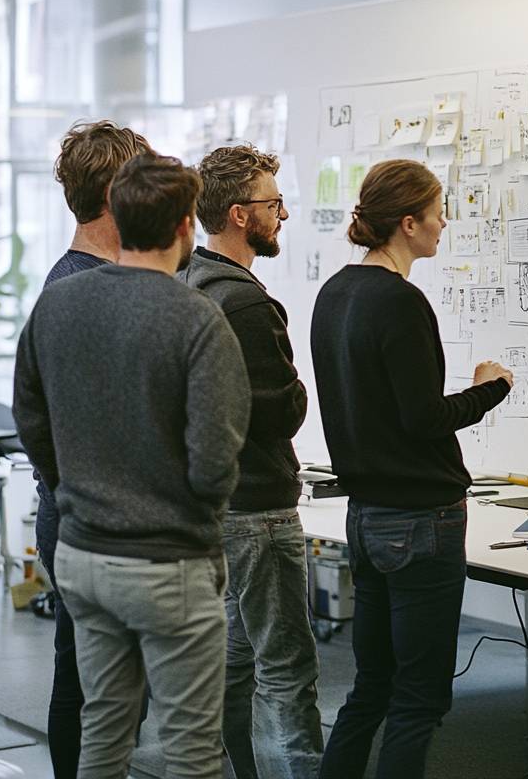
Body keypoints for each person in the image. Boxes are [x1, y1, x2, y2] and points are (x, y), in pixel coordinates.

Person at [13, 153, 251, 779]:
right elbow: (214, 461)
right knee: (192, 750)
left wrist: (74, 489)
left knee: (103, 738)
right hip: (168, 562)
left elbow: (30, 418)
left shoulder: (57, 304)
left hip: (83, 557)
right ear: (184, 229)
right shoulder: (198, 317)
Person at [310, 158, 513, 779]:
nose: (444, 223)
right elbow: (423, 419)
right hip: (421, 521)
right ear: (407, 223)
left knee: (371, 684)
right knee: (419, 697)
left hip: (366, 518)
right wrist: (491, 388)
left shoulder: (334, 292)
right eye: (436, 212)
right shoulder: (399, 302)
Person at [179, 143, 322, 779]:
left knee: (235, 665)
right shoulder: (244, 303)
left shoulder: (186, 282)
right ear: (240, 215)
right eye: (273, 203)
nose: (283, 214)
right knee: (286, 669)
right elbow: (281, 410)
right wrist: (297, 390)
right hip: (260, 509)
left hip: (212, 508)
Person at [37, 120, 151, 779]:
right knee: (98, 691)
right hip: (94, 520)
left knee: (86, 679)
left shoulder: (81, 281)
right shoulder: (83, 289)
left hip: (85, 514)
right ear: (113, 194)